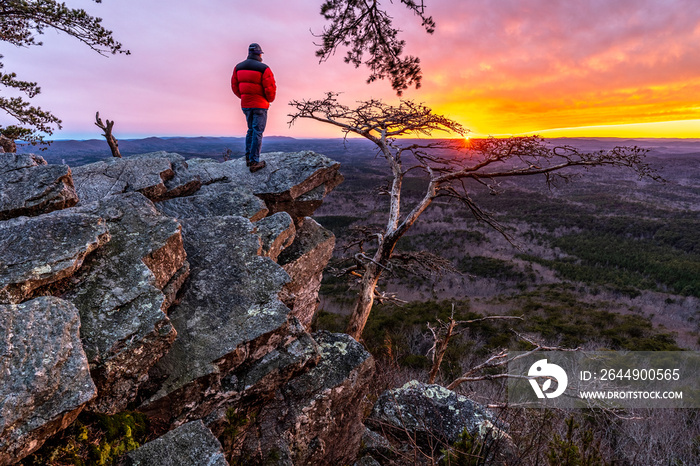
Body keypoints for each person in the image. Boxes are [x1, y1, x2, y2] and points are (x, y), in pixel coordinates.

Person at [231, 43, 277, 172]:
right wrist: (269, 100)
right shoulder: (264, 68)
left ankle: (248, 158)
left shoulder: (238, 67)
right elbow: (270, 88)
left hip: (246, 104)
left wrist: (244, 97)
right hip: (260, 106)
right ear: (259, 54)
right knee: (257, 132)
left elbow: (235, 87)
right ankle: (254, 162)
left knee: (250, 130)